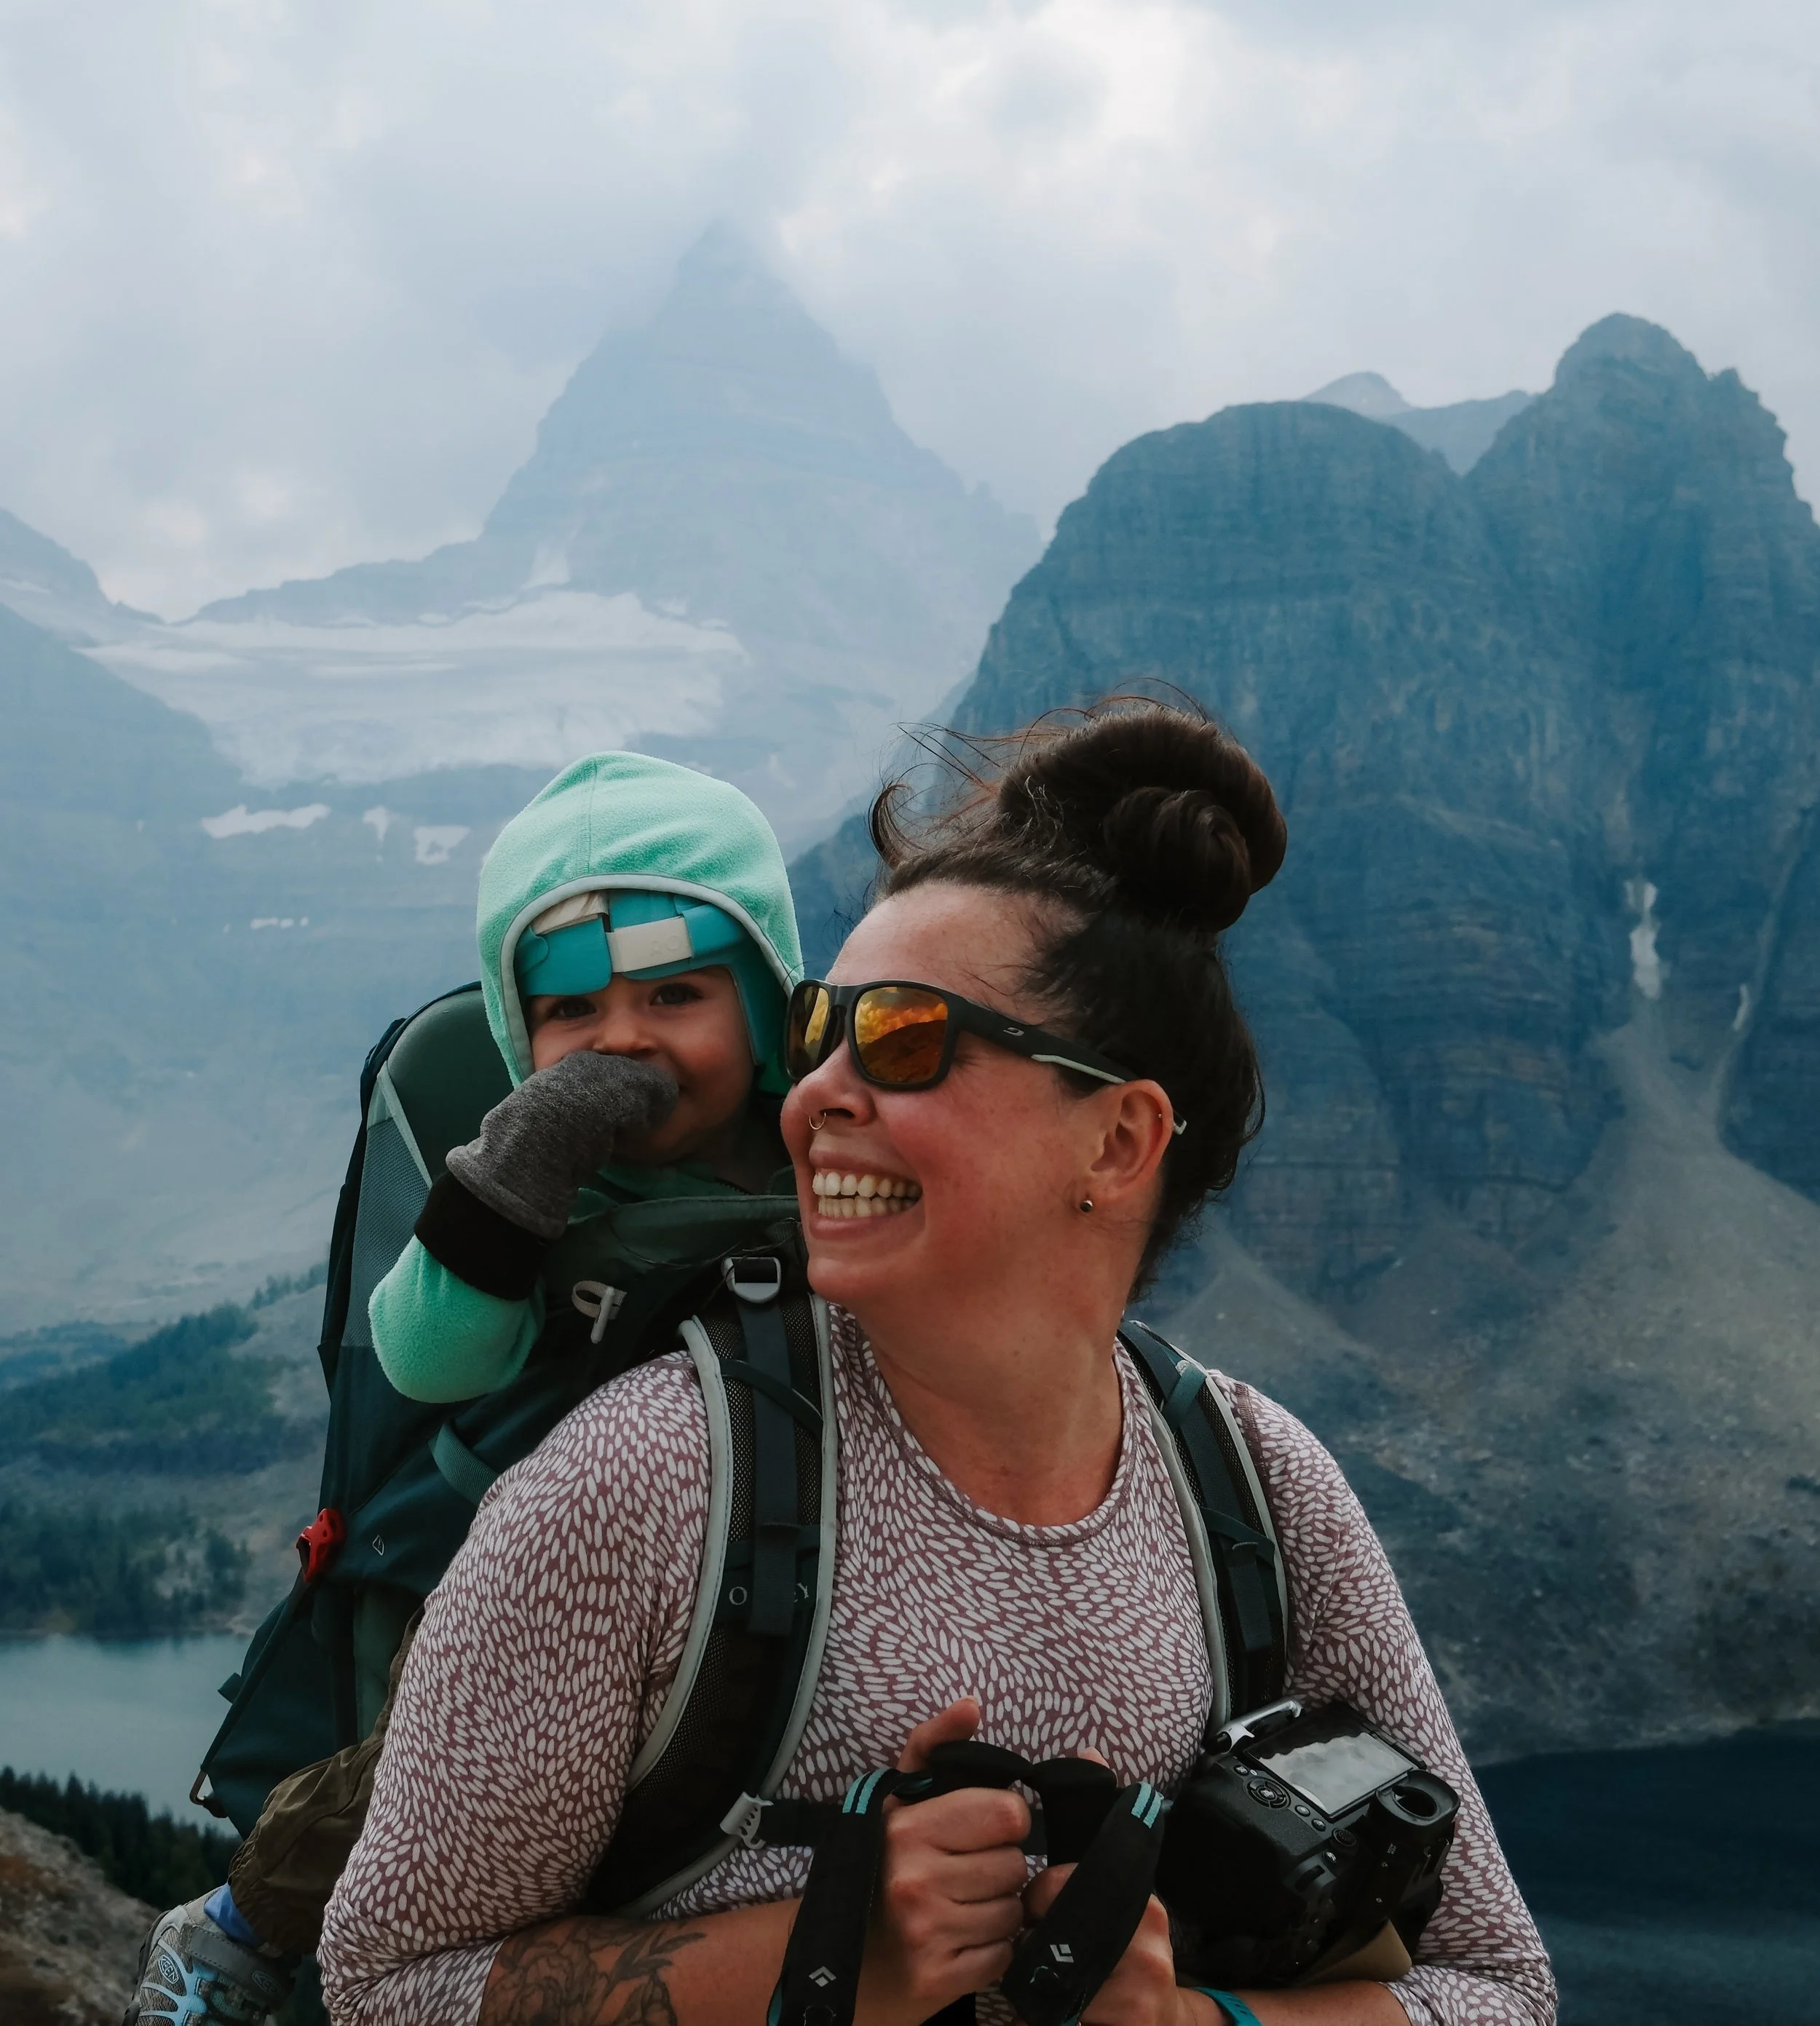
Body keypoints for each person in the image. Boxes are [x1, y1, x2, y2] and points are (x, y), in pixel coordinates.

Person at [316, 702, 1556, 2026]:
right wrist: (822, 1955)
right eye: (819, 1036)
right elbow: (384, 1981)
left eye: (903, 1040)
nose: (812, 1097)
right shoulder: (644, 1483)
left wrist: (1194, 2022)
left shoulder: (1259, 1487)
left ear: (1121, 1143)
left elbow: (1498, 1988)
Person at [124, 751, 803, 2026]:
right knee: (432, 1767)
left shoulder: (837, 1145)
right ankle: (237, 1940)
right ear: (514, 1034)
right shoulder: (526, 1184)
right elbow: (431, 1359)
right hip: (531, 1566)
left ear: (766, 1006)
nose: (623, 1044)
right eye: (568, 1017)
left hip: (776, 1533)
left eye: (677, 995)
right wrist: (516, 1178)